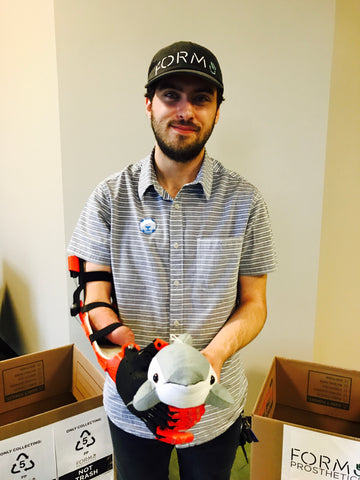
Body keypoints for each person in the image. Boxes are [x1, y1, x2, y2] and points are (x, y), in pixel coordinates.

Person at [68, 41, 277, 480]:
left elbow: (254, 303)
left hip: (216, 410)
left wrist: (214, 359)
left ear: (218, 110)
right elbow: (92, 296)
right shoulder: (109, 198)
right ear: (148, 104)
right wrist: (129, 368)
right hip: (132, 408)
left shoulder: (246, 201)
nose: (185, 110)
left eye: (201, 98)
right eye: (171, 95)